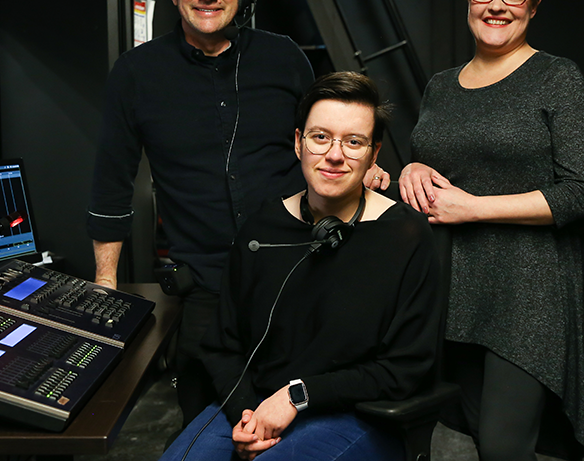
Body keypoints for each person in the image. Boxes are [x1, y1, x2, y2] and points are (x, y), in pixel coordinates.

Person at [87, 0, 389, 429]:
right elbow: (111, 181)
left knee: (305, 419)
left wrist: (361, 174)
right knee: (209, 426)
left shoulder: (284, 57)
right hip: (205, 289)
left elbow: (324, 137)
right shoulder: (135, 73)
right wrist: (105, 282)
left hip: (299, 272)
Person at [160, 71, 442, 461]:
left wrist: (298, 396)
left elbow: (406, 368)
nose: (335, 155)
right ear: (298, 142)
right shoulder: (261, 230)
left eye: (353, 142)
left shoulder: (406, 236)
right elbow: (223, 347)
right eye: (320, 137)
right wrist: (248, 416)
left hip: (357, 413)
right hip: (257, 403)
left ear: (374, 153)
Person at [399, 0, 584, 460]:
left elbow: (579, 193)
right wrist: (413, 167)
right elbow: (438, 165)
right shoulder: (441, 86)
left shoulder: (557, 78)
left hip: (526, 294)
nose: (497, 5)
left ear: (534, 5)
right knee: (470, 435)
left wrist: (473, 208)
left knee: (504, 447)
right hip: (453, 286)